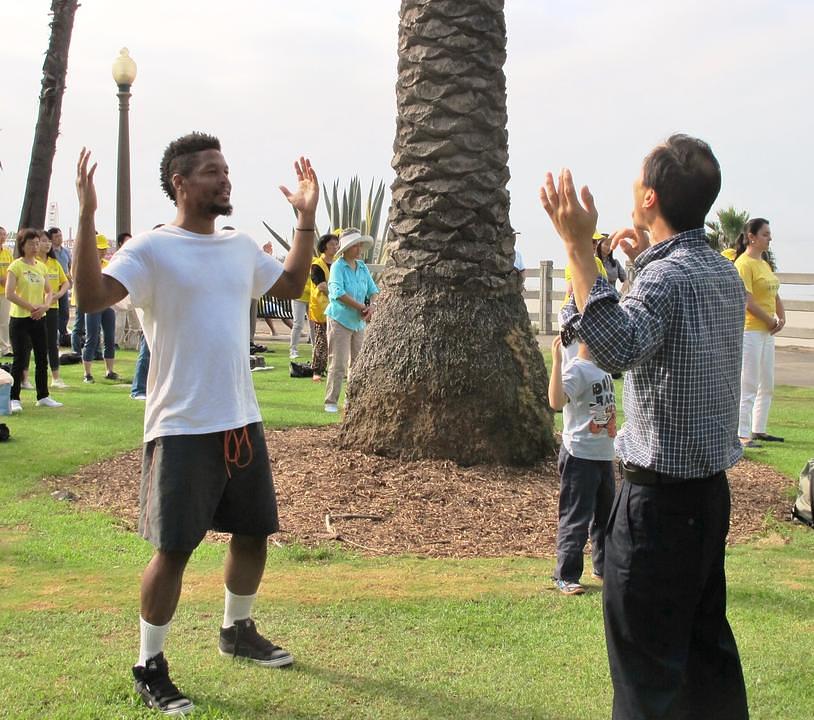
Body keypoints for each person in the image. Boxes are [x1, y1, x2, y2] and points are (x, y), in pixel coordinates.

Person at [73, 133, 317, 715]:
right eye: (211, 171)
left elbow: (289, 285)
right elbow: (89, 297)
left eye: (225, 169)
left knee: (253, 532)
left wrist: (305, 220)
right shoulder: (151, 249)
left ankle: (237, 629)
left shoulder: (238, 247)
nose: (224, 178)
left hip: (240, 419)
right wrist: (86, 216)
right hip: (181, 425)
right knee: (175, 549)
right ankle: (149, 663)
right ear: (180, 183)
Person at [540, 134, 748, 720]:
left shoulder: (664, 280)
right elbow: (664, 333)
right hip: (708, 499)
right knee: (704, 661)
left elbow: (614, 347)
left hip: (657, 511)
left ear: (650, 196)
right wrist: (633, 263)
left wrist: (577, 248)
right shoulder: (723, 274)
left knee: (645, 679)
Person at [547, 334, 615, 596]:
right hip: (580, 456)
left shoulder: (603, 368)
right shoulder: (576, 369)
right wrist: (556, 363)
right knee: (576, 517)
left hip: (603, 455)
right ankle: (565, 575)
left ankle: (604, 568)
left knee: (605, 518)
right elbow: (556, 402)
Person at [733, 218, 785, 446]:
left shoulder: (764, 263)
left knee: (767, 383)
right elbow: (748, 301)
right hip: (750, 332)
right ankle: (742, 434)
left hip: (766, 333)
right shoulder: (743, 264)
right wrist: (770, 321)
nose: (769, 238)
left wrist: (781, 317)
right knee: (749, 383)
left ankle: (758, 429)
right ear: (751, 237)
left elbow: (774, 293)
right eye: (765, 234)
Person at [4, 229, 63, 412]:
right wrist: (31, 307)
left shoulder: (41, 266)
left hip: (39, 318)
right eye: (31, 243)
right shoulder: (16, 266)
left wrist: (44, 306)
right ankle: (14, 398)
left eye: (37, 243)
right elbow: (9, 293)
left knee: (41, 357)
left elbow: (49, 290)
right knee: (20, 358)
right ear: (22, 245)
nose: (35, 247)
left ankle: (43, 395)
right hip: (20, 318)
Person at [323, 228, 378, 413]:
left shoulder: (362, 267)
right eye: (355, 245)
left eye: (360, 245)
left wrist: (372, 306)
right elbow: (337, 293)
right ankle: (331, 401)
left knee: (357, 362)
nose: (359, 249)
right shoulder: (338, 267)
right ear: (346, 248)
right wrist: (361, 307)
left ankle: (352, 400)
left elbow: (373, 290)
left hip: (358, 322)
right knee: (338, 362)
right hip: (339, 319)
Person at [80, 234, 118, 383]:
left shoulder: (108, 264)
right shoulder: (86, 265)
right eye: (99, 249)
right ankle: (87, 373)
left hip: (107, 304)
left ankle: (109, 370)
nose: (102, 252)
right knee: (92, 337)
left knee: (109, 337)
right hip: (93, 304)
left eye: (104, 249)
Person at [36, 230, 70, 388]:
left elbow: (65, 282)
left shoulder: (54, 263)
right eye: (44, 241)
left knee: (52, 342)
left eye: (49, 241)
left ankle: (55, 378)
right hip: (35, 307)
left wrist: (60, 294)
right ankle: (25, 377)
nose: (47, 244)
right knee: (33, 343)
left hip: (52, 307)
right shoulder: (33, 262)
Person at [308, 232, 339, 381]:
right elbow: (321, 286)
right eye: (332, 244)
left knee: (337, 339)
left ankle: (335, 369)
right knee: (322, 339)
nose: (335, 247)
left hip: (338, 308)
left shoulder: (339, 264)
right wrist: (338, 295)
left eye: (336, 244)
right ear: (324, 247)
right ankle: (317, 370)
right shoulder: (317, 265)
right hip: (322, 309)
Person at [47, 227, 73, 345]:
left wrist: (69, 279)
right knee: (52, 311)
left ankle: (63, 334)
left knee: (64, 310)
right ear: (51, 239)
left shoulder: (66, 251)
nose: (59, 238)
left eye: (60, 236)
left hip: (64, 285)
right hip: (51, 285)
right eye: (56, 236)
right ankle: (53, 335)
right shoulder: (49, 252)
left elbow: (69, 266)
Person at [0, 226, 13, 356]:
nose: (3, 237)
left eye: (4, 234)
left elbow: (12, 269)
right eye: (0, 234)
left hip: (4, 292)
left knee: (4, 321)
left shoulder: (7, 253)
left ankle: (5, 349)